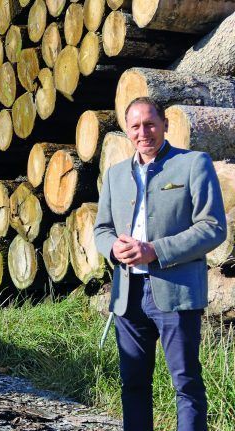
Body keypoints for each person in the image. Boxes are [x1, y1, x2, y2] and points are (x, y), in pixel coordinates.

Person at [94, 97, 226, 431]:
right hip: (128, 296)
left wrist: (156, 250)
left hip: (175, 293)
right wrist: (113, 248)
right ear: (127, 130)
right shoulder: (114, 175)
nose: (143, 132)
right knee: (133, 384)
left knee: (186, 384)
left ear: (165, 124)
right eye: (135, 126)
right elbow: (102, 230)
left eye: (150, 124)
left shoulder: (194, 164)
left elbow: (213, 227)